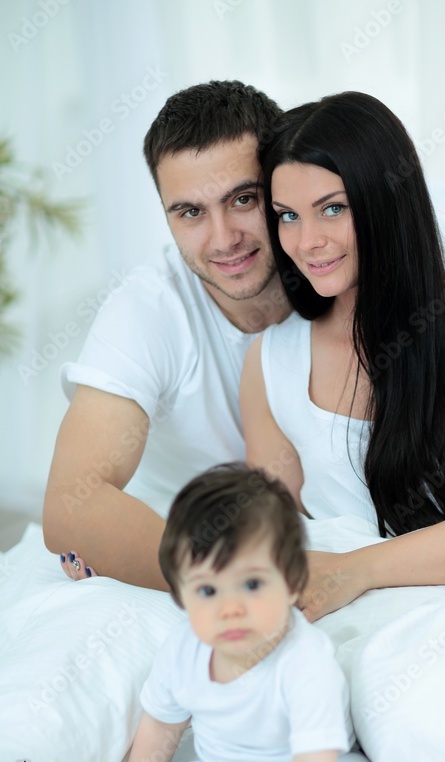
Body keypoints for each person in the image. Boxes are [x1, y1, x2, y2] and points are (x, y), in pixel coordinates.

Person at [240, 91, 445, 622]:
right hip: (362, 623)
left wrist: (359, 570)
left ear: (386, 202)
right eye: (287, 216)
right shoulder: (270, 363)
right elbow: (272, 532)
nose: (307, 242)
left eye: (333, 208)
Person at [95, 463, 390, 762]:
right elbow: (162, 720)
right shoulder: (183, 651)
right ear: (181, 598)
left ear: (293, 584)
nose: (230, 608)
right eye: (208, 590)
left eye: (252, 584)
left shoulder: (306, 661)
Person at [42, 81, 291, 589]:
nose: (223, 239)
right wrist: (237, 580)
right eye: (191, 212)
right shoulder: (148, 307)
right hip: (174, 528)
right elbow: (72, 504)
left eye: (243, 199)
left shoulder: (339, 265)